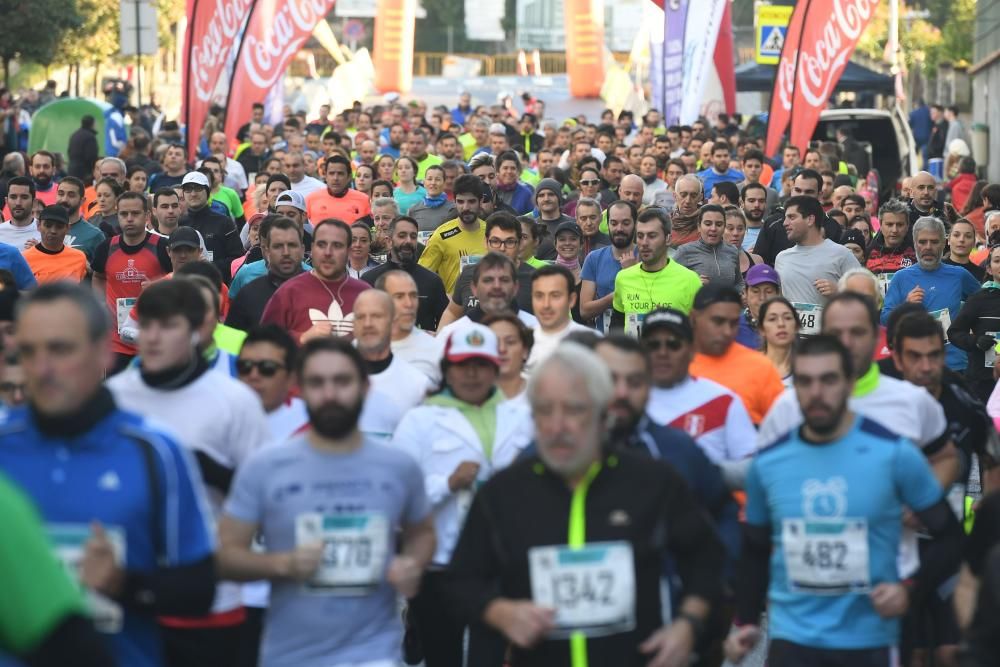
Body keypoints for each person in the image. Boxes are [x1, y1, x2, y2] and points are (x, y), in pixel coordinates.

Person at [446, 343, 724, 666]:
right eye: (544, 411)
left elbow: (708, 557)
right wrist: (498, 611)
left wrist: (687, 626)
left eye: (574, 409)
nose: (557, 426)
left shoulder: (653, 481)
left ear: (603, 415)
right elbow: (460, 579)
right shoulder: (503, 492)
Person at [0, 283, 217, 666]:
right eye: (29, 352)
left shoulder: (155, 450)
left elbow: (198, 589)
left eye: (60, 349)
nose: (42, 368)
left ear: (102, 349)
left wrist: (123, 584)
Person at [725, 335, 963, 667]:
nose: (817, 393)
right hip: (793, 639)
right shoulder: (769, 463)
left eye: (828, 380)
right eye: (805, 381)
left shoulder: (893, 454)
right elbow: (755, 548)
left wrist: (909, 589)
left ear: (850, 383)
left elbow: (951, 537)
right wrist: (746, 620)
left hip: (869, 640)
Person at [217, 337, 436, 667]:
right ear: (299, 388)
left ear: (365, 386)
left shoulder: (399, 466)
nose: (330, 394)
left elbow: (423, 532)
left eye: (342, 381)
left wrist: (413, 564)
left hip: (375, 654)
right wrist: (284, 565)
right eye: (317, 383)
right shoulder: (266, 466)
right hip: (290, 654)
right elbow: (224, 556)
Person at [107, 278, 268, 664]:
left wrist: (212, 472)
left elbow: (264, 500)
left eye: (168, 326)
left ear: (197, 331)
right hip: (130, 591)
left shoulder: (235, 400)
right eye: (147, 325)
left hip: (215, 594)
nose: (153, 337)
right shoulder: (112, 398)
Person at [392, 322, 533, 667]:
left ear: (494, 367)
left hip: (503, 566)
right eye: (461, 364)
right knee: (444, 657)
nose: (471, 373)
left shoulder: (525, 418)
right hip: (440, 567)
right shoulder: (419, 421)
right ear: (447, 369)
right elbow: (396, 500)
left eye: (481, 364)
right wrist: (447, 484)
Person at [641, 307, 757, 487]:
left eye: (673, 344)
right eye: (653, 345)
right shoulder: (624, 401)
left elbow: (753, 468)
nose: (662, 352)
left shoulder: (723, 400)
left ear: (691, 350)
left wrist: (703, 471)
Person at [883, 216, 981, 371]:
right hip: (915, 366)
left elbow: (986, 304)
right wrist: (905, 306)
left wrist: (971, 333)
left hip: (954, 366)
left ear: (944, 243)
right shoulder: (900, 277)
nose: (928, 247)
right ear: (915, 244)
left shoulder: (959, 275)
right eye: (922, 242)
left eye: (934, 242)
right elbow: (884, 320)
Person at [92, 191, 172, 373]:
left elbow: (178, 279)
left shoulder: (161, 246)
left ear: (147, 216)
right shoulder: (106, 247)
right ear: (117, 215)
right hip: (117, 342)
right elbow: (98, 276)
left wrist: (159, 284)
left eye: (135, 214)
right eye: (123, 214)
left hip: (153, 339)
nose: (129, 219)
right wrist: (101, 303)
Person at [688, 284, 786, 425]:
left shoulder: (760, 367)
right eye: (718, 321)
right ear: (693, 318)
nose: (727, 331)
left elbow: (783, 427)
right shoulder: (674, 365)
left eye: (734, 323)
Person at [261, 218, 371, 342]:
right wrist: (302, 338)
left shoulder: (365, 293)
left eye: (337, 245)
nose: (328, 252)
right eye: (321, 245)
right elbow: (265, 342)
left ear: (348, 250)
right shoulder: (289, 292)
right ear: (312, 249)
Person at [352, 289, 431, 441]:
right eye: (360, 317)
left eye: (376, 316)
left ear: (393, 322)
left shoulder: (418, 385)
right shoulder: (329, 381)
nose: (368, 324)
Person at [775, 195, 860, 336]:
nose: (785, 223)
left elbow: (868, 296)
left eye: (791, 217)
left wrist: (840, 290)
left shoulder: (841, 254)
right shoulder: (781, 258)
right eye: (785, 217)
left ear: (810, 219)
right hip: (791, 341)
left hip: (828, 342)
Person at [437, 211, 536, 329]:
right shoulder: (469, 273)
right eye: (495, 241)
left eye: (509, 242)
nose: (502, 248)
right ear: (485, 242)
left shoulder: (535, 278)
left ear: (519, 244)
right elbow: (452, 312)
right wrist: (440, 338)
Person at [611, 207, 702, 335]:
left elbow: (700, 331)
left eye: (652, 236)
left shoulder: (690, 280)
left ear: (668, 239)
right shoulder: (623, 277)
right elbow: (617, 324)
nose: (644, 243)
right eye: (640, 236)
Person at [363, 215, 450, 332]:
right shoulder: (369, 280)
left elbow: (445, 325)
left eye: (413, 236)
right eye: (402, 236)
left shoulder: (433, 281)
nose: (408, 241)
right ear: (389, 241)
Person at [226, 216, 306, 332]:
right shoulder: (247, 293)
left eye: (292, 245)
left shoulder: (318, 288)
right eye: (278, 246)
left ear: (302, 249)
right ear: (267, 251)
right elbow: (232, 339)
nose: (286, 252)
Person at [437, 252, 538, 340]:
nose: (496, 286)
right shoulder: (451, 335)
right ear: (474, 288)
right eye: (488, 280)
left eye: (504, 280)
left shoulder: (537, 331)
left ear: (515, 287)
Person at [236, 324, 308, 442]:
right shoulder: (217, 419)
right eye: (245, 366)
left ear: (291, 378)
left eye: (267, 368)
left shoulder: (310, 426)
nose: (253, 375)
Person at [418, 174, 486, 293]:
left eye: (471, 201)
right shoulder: (441, 235)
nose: (466, 207)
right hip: (452, 308)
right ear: (454, 202)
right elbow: (422, 276)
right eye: (460, 202)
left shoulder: (491, 233)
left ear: (481, 202)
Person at [376, 269, 443, 384]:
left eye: (413, 296)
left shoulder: (437, 350)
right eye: (399, 296)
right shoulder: (360, 350)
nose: (409, 304)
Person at [580, 200, 637, 333]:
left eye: (626, 223)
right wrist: (617, 294)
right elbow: (584, 310)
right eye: (614, 223)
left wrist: (633, 274)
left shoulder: (646, 257)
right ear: (607, 225)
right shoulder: (594, 258)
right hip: (604, 341)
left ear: (635, 224)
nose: (619, 228)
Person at [525, 264, 594, 372]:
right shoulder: (520, 342)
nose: (546, 304)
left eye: (555, 296)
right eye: (539, 296)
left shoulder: (592, 343)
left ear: (571, 299)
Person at [179, 171, 243, 282]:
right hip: (184, 285)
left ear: (207, 192)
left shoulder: (224, 222)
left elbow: (238, 258)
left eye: (198, 189)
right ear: (183, 194)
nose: (193, 194)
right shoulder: (179, 223)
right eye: (188, 189)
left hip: (217, 284)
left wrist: (211, 265)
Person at [673, 204, 744, 290]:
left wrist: (741, 294)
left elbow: (738, 282)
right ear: (699, 227)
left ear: (724, 227)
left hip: (727, 303)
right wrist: (693, 283)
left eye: (718, 224)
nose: (713, 228)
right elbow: (670, 282)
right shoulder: (685, 251)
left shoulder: (732, 251)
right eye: (708, 224)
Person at [867, 198, 918, 293]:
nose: (894, 230)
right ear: (881, 225)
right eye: (889, 224)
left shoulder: (917, 254)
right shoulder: (868, 254)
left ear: (907, 226)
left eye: (899, 225)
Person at [306, 154, 371, 224]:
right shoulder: (311, 199)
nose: (335, 178)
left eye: (340, 174)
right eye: (331, 173)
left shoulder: (364, 200)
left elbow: (371, 229)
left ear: (349, 177)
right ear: (325, 176)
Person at [484, 312, 533, 401]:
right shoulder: (468, 399)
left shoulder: (543, 395)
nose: (502, 349)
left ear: (525, 350)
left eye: (510, 342)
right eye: (495, 342)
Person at [58, 176, 106, 262]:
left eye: (71, 195)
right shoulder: (43, 229)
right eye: (61, 194)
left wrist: (87, 267)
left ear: (82, 201)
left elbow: (102, 273)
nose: (64, 199)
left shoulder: (95, 235)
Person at [737, 263, 781, 350]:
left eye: (768, 291)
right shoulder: (733, 328)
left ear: (778, 294)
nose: (762, 298)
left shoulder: (785, 326)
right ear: (745, 293)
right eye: (756, 291)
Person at [531, 177, 576, 261]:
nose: (546, 199)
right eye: (541, 195)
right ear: (536, 200)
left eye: (551, 194)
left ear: (559, 198)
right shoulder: (531, 227)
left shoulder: (573, 224)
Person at [759, 296, 800, 385]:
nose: (781, 324)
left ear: (797, 326)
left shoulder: (808, 367)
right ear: (762, 329)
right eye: (772, 319)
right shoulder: (749, 366)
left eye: (788, 318)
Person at [409, 164, 457, 232]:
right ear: (424, 183)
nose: (433, 182)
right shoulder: (413, 210)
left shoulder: (453, 209)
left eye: (437, 179)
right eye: (429, 179)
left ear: (444, 183)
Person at [0, 175, 41, 249]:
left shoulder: (45, 233)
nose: (18, 203)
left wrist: (40, 252)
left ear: (34, 202)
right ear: (6, 201)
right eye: (13, 197)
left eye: (24, 197)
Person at [944, 217, 985, 282]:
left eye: (968, 236)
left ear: (974, 243)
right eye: (956, 235)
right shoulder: (935, 267)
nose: (961, 240)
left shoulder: (982, 274)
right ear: (948, 240)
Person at [68, 114, 99, 180]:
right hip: (84, 173)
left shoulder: (74, 135)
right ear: (92, 124)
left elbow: (69, 151)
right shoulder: (90, 136)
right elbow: (91, 156)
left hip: (72, 170)